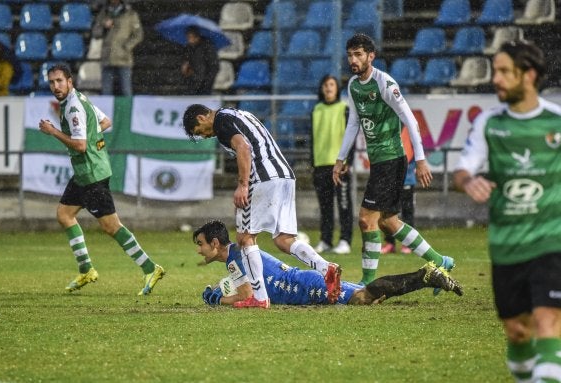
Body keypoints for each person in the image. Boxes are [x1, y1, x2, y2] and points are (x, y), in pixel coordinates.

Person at [453, 40, 561, 382]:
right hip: (506, 245)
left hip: (551, 242)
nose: (495, 79)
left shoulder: (555, 122)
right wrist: (470, 182)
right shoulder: (489, 123)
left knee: (548, 324)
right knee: (517, 333)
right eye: (495, 71)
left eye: (503, 72)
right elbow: (463, 170)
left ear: (528, 75)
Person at [182, 104, 341, 308]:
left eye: (200, 132)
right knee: (284, 239)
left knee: (245, 238)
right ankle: (325, 267)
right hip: (284, 175)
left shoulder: (221, 122)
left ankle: (259, 297)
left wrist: (243, 184)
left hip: (263, 178)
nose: (205, 136)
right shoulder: (237, 112)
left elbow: (243, 147)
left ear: (202, 118)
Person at [332, 33, 454, 286]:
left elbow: (410, 118)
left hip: (391, 158)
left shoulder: (384, 83)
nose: (353, 60)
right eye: (350, 55)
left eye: (358, 55)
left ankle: (367, 283)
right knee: (388, 222)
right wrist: (341, 158)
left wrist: (420, 160)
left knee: (367, 219)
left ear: (371, 56)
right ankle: (440, 261)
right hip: (380, 161)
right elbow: (354, 121)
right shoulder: (354, 85)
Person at [37, 63, 165, 295]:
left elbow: (80, 144)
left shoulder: (73, 107)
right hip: (83, 174)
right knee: (64, 215)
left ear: (70, 81)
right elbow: (105, 122)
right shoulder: (79, 99)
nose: (55, 86)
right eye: (52, 82)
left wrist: (53, 131)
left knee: (111, 226)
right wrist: (93, 137)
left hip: (92, 175)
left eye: (59, 81)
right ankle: (86, 269)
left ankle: (150, 267)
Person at [193, 220, 462, 306]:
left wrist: (216, 299)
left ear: (215, 244)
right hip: (301, 282)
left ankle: (424, 276)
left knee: (363, 298)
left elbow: (246, 296)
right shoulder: (240, 252)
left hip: (301, 286)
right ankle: (424, 277)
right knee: (372, 298)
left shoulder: (236, 258)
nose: (199, 251)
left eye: (200, 244)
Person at [311, 74, 354, 255]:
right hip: (320, 165)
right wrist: (312, 162)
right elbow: (313, 138)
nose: (328, 88)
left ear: (337, 88)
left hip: (339, 165)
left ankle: (345, 240)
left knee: (344, 205)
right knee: (325, 207)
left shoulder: (344, 109)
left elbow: (350, 136)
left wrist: (348, 161)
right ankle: (326, 240)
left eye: (332, 85)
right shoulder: (316, 109)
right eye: (325, 85)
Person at [92, 0, 143, 96]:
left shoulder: (130, 14)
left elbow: (138, 34)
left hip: (123, 57)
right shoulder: (104, 13)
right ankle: (106, 111)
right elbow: (95, 33)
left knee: (126, 91)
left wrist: (127, 46)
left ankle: (126, 111)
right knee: (106, 92)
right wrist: (104, 27)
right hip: (107, 56)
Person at [382, 127, 416, 255]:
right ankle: (389, 243)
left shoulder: (409, 128)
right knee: (387, 213)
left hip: (407, 179)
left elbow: (413, 153)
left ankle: (408, 243)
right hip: (390, 180)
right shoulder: (387, 128)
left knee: (407, 212)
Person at [179, 26, 219, 95]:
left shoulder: (208, 47)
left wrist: (206, 83)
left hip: (204, 86)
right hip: (192, 85)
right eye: (188, 37)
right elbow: (186, 65)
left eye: (190, 37)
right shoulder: (188, 48)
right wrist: (186, 70)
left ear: (197, 37)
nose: (189, 40)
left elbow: (214, 67)